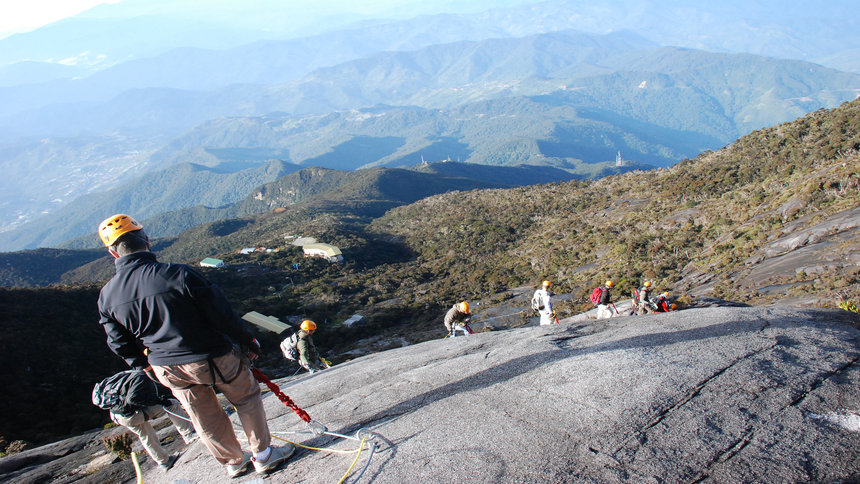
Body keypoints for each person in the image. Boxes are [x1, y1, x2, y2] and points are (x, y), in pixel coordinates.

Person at [95, 214, 293, 478]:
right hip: (211, 355)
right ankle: (264, 456)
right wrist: (248, 341)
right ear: (147, 241)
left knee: (202, 415)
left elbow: (118, 341)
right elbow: (221, 314)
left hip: (166, 366)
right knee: (246, 398)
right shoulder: (177, 274)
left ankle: (234, 462)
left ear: (112, 252)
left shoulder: (107, 295)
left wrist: (141, 365)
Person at [94, 369, 197, 471]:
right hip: (131, 414)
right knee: (172, 405)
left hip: (117, 415)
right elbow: (133, 399)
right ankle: (188, 434)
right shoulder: (142, 377)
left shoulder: (128, 374)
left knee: (145, 434)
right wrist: (159, 401)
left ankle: (164, 462)